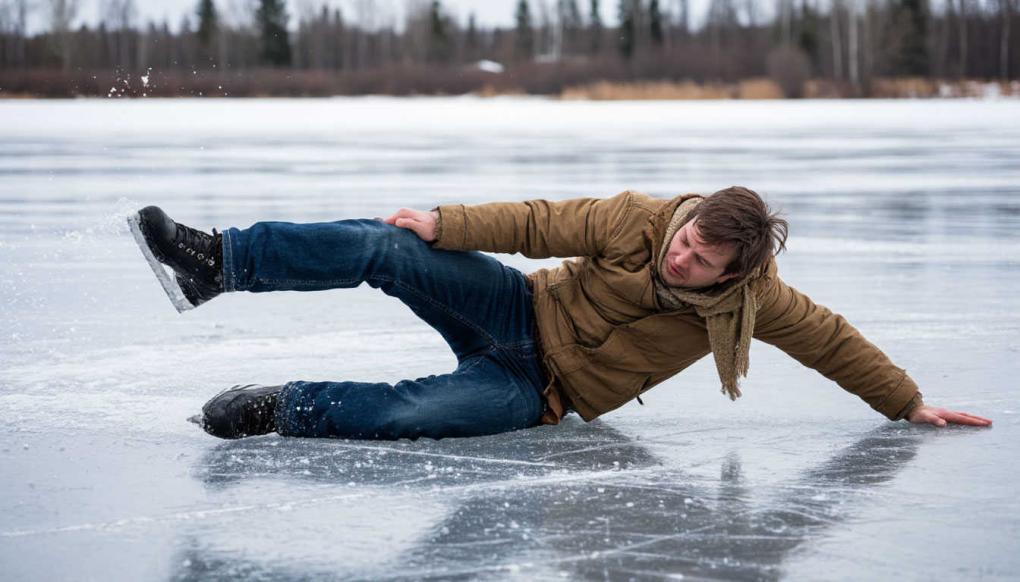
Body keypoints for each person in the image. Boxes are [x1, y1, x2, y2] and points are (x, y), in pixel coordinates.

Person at [128, 187, 992, 440]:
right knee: (385, 245)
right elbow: (543, 223)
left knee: (413, 411)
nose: (679, 255)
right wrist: (445, 226)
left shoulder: (753, 306)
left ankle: (281, 408)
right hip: (514, 303)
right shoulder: (640, 220)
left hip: (540, 386)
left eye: (699, 260)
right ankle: (218, 263)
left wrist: (906, 400)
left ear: (733, 274)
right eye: (685, 237)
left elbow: (833, 343)